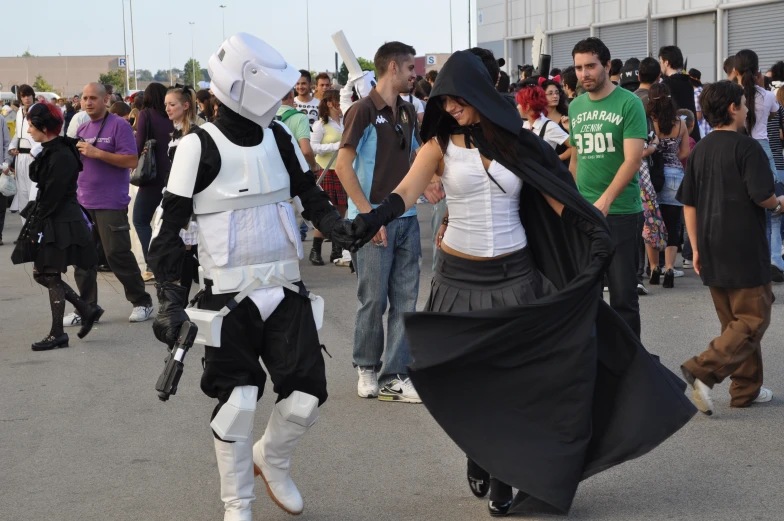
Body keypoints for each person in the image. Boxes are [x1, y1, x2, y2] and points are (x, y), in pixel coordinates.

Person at [342, 49, 695, 518]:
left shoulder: (517, 142)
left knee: (519, 382)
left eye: (457, 100)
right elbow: (407, 191)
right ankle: (479, 454)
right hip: (458, 279)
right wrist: (374, 217)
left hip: (515, 277)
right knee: (472, 380)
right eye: (443, 101)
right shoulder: (438, 147)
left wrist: (594, 231)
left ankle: (508, 474)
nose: (450, 109)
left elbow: (556, 198)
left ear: (478, 94)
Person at [147, 32, 354, 521]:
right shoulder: (197, 147)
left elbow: (309, 192)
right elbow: (167, 232)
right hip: (227, 300)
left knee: (304, 399)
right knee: (238, 403)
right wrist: (169, 300)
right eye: (277, 90)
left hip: (284, 290)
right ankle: (237, 505)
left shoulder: (279, 136)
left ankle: (273, 458)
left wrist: (339, 228)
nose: (285, 97)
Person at [678, 80, 779, 415]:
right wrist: (780, 202)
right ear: (734, 108)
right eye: (744, 103)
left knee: (733, 324)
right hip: (743, 245)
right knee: (752, 318)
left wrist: (694, 248)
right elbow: (763, 196)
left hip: (709, 245)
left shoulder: (700, 149)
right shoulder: (747, 148)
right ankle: (701, 369)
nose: (748, 108)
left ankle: (745, 390)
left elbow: (688, 204)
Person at [335, 41, 422, 402]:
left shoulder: (408, 111)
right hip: (372, 220)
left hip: (409, 218)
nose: (414, 75)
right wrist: (370, 217)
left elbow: (417, 156)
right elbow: (342, 165)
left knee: (405, 300)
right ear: (392, 69)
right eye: (410, 69)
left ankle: (395, 374)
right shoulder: (362, 110)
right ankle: (366, 366)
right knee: (373, 298)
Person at [570, 37, 647, 337]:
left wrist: (605, 200)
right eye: (578, 68)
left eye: (590, 66)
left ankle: (630, 367)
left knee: (623, 298)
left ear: (607, 66)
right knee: (586, 294)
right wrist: (572, 200)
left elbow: (633, 160)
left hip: (621, 212)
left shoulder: (629, 104)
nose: (584, 74)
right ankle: (594, 361)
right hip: (585, 212)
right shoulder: (576, 106)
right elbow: (576, 159)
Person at [10, 102, 102, 350]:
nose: (28, 130)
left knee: (47, 273)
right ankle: (84, 309)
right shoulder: (53, 149)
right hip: (55, 217)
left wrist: (36, 224)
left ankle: (60, 332)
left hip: (60, 219)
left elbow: (53, 194)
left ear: (43, 127)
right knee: (45, 274)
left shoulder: (60, 154)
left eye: (31, 125)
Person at [63, 82, 154, 327]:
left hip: (110, 202)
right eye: (84, 98)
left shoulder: (119, 125)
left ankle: (142, 301)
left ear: (105, 100)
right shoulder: (81, 127)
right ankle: (86, 308)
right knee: (83, 259)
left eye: (93, 98)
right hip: (83, 202)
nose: (88, 102)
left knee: (117, 254)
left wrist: (98, 153)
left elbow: (131, 160)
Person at [645, 83, 689, 289]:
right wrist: (673, 158)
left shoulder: (647, 122)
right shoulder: (680, 123)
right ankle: (670, 268)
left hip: (652, 176)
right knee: (673, 225)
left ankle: (654, 267)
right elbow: (685, 152)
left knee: (652, 224)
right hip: (675, 176)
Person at [132, 83, 175, 282]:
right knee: (169, 222)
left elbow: (138, 145)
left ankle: (153, 263)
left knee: (140, 220)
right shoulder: (173, 116)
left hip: (153, 176)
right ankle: (169, 263)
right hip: (175, 174)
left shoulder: (146, 115)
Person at [311, 89, 351, 266]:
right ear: (329, 103)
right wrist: (336, 145)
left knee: (341, 210)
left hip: (343, 170)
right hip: (327, 171)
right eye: (337, 101)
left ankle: (336, 251)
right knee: (326, 211)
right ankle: (316, 250)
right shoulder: (320, 124)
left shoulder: (344, 121)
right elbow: (314, 147)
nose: (340, 105)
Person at [8, 85, 42, 220]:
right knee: (21, 193)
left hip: (32, 156)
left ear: (33, 96)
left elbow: (44, 132)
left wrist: (35, 152)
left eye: (28, 95)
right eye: (23, 96)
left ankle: (34, 234)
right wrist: (12, 147)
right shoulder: (19, 112)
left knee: (32, 194)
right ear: (20, 98)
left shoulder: (38, 110)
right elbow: (17, 133)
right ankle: (25, 234)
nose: (26, 98)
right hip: (20, 157)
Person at [658, 45, 701, 143]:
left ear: (666, 62)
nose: (660, 66)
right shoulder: (689, 83)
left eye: (661, 62)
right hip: (693, 135)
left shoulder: (665, 86)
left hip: (676, 138)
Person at [517, 85, 570, 151]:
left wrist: (556, 159)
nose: (518, 106)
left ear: (527, 106)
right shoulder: (525, 125)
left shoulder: (549, 127)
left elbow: (574, 145)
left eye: (519, 103)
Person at [541, 79, 572, 165]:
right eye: (550, 93)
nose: (555, 96)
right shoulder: (539, 118)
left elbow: (575, 145)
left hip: (565, 165)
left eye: (557, 93)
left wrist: (557, 159)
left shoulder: (567, 117)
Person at [688, 68, 711, 137]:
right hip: (708, 128)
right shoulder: (703, 91)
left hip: (702, 129)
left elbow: (698, 116)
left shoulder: (696, 94)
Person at [0, 109, 11, 245]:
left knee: (1, 206)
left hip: (0, 169)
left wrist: (7, 162)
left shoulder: (1, 120)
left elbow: (6, 143)